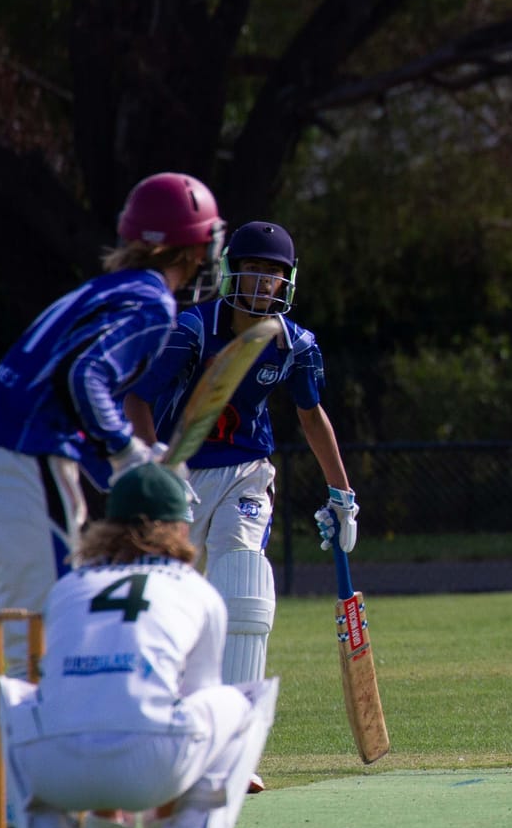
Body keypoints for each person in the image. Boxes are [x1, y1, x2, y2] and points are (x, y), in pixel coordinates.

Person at [0, 170, 224, 828]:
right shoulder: (148, 302)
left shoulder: (103, 291)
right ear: (194, 250)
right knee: (42, 645)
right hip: (19, 465)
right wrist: (127, 451)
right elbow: (86, 375)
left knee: (41, 642)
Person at [0, 462, 277, 828]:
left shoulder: (67, 588)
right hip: (156, 764)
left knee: (17, 698)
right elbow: (193, 705)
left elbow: (83, 694)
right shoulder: (197, 591)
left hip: (55, 771)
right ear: (179, 526)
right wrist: (161, 826)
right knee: (244, 702)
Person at [125, 221, 357, 685]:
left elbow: (311, 417)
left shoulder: (297, 345)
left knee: (242, 571)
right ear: (231, 272)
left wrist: (342, 495)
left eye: (271, 273)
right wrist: (156, 468)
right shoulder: (192, 329)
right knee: (170, 598)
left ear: (285, 281)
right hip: (180, 474)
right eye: (251, 269)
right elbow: (138, 399)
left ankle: (235, 723)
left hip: (247, 471)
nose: (261, 283)